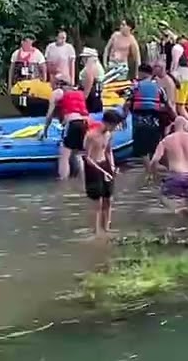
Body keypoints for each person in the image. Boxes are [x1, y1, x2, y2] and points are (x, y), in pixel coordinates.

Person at [83, 110, 124, 238]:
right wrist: (103, 171)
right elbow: (87, 158)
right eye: (114, 125)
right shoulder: (91, 135)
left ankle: (106, 228)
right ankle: (96, 231)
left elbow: (108, 151)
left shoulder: (108, 135)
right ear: (107, 123)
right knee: (98, 201)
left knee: (109, 199)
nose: (115, 128)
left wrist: (112, 167)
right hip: (93, 167)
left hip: (105, 165)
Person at [123, 63, 171, 167]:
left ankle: (149, 173)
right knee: (154, 149)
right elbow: (168, 105)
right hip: (155, 123)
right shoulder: (159, 88)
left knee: (142, 151)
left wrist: (123, 118)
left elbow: (127, 104)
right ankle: (159, 171)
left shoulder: (135, 87)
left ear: (140, 73)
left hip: (139, 123)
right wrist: (175, 118)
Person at [42, 75, 89, 180]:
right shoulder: (79, 93)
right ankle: (82, 180)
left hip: (72, 123)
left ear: (58, 83)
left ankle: (64, 182)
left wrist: (45, 130)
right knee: (77, 154)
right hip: (85, 124)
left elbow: (49, 114)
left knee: (64, 155)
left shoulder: (57, 93)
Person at [78, 47, 105, 113]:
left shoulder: (90, 65)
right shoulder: (96, 65)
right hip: (96, 93)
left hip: (91, 94)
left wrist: (84, 96)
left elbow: (90, 80)